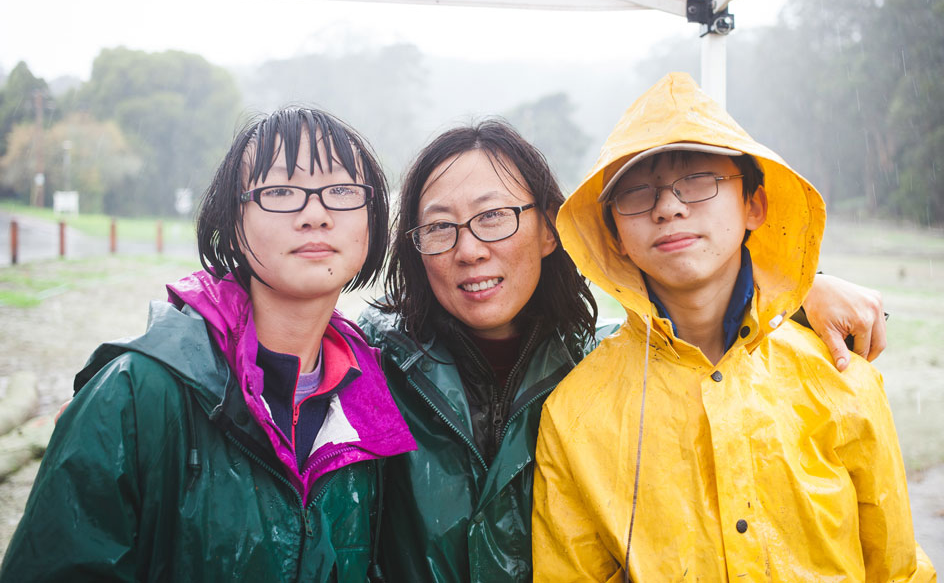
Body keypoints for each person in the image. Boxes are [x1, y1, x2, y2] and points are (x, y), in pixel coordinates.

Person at [357, 118, 892, 582]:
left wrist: (801, 289)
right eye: (439, 226)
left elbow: (688, 318)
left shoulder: (593, 365)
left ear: (551, 230)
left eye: (493, 216)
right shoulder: (371, 371)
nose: (469, 249)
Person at [532, 73, 935, 581]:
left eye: (699, 181)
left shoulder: (841, 377)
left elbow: (895, 568)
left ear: (754, 206)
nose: (668, 207)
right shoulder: (575, 416)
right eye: (636, 193)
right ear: (614, 235)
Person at [0, 108, 415, 582]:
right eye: (280, 191)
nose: (315, 214)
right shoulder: (137, 395)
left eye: (342, 191)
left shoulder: (376, 400)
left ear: (373, 218)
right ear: (233, 224)